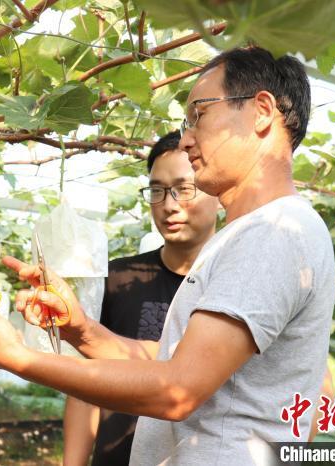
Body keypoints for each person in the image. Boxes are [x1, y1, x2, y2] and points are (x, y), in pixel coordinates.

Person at [0, 46, 335, 466]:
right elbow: (176, 362)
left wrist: (16, 356)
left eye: (198, 115)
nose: (186, 138)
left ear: (260, 111)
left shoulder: (273, 232)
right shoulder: (253, 233)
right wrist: (82, 331)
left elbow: (177, 388)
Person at [62, 131, 219, 466]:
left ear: (216, 190)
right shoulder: (117, 278)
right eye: (157, 190)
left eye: (184, 188)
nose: (169, 204)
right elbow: (85, 387)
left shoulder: (233, 282)